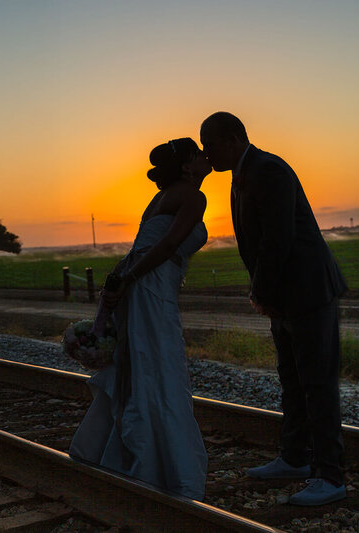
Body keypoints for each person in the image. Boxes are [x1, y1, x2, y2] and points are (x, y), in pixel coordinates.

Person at [200, 112, 348, 506]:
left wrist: (260, 291)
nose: (206, 153)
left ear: (233, 138)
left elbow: (277, 239)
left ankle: (330, 476)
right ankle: (296, 459)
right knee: (293, 380)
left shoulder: (268, 170)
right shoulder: (243, 174)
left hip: (308, 293)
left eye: (209, 144)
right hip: (286, 298)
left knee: (317, 384)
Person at [69, 138, 211, 500]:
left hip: (140, 285)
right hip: (151, 289)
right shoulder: (194, 198)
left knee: (140, 366)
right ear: (186, 166)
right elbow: (165, 247)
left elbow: (139, 249)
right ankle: (162, 469)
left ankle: (126, 453)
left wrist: (119, 281)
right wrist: (129, 279)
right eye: (198, 153)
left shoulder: (158, 199)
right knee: (160, 366)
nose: (205, 157)